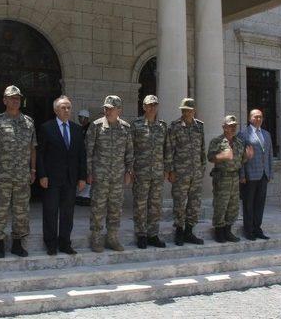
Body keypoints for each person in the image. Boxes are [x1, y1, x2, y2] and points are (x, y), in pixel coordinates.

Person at [0, 85, 36, 258]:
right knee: (0, 210)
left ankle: (17, 243)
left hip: (22, 175)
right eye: (12, 98)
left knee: (21, 210)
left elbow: (32, 148)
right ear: (4, 100)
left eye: (18, 98)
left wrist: (33, 169)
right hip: (2, 175)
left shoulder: (28, 122)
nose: (16, 100)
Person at [37, 96, 87, 256]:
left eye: (68, 108)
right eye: (63, 108)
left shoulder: (77, 129)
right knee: (50, 212)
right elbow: (40, 154)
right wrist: (42, 175)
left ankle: (65, 243)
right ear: (56, 110)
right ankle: (51, 244)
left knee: (68, 213)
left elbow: (81, 155)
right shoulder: (46, 128)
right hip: (51, 179)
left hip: (71, 179)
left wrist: (82, 177)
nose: (67, 110)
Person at [86, 95, 133, 252]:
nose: (107, 110)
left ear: (119, 110)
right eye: (106, 108)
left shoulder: (125, 128)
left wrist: (128, 171)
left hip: (117, 176)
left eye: (111, 108)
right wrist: (89, 172)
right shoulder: (96, 126)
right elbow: (89, 152)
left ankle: (112, 238)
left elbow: (129, 152)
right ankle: (96, 238)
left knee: (115, 208)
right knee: (98, 208)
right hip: (100, 176)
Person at [165, 98, 205, 246]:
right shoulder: (175, 126)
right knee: (179, 203)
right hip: (180, 172)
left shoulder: (199, 126)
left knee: (194, 203)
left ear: (194, 111)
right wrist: (171, 170)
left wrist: (202, 167)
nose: (186, 113)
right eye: (184, 110)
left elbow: (202, 148)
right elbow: (170, 149)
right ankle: (179, 232)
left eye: (188, 110)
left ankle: (189, 231)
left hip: (196, 173)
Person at [207, 115, 254, 243]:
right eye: (230, 125)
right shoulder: (217, 141)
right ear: (224, 127)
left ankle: (228, 230)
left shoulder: (239, 142)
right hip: (222, 177)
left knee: (233, 206)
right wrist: (222, 156)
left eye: (234, 126)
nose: (233, 128)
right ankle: (219, 232)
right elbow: (210, 157)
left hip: (234, 177)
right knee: (221, 205)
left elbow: (240, 160)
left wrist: (247, 157)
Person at [131, 95, 168, 249]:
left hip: (158, 172)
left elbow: (167, 149)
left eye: (154, 105)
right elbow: (130, 148)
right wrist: (130, 168)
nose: (152, 108)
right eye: (149, 105)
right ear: (144, 107)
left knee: (155, 205)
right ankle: (141, 235)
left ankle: (153, 234)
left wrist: (167, 168)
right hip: (141, 171)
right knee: (140, 204)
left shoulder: (162, 126)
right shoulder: (136, 125)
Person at [238, 109, 274, 241]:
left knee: (260, 203)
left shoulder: (267, 134)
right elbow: (241, 157)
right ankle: (249, 230)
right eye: (256, 117)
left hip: (263, 174)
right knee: (248, 204)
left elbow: (269, 154)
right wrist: (241, 175)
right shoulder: (243, 134)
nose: (258, 119)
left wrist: (270, 172)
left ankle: (258, 228)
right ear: (249, 118)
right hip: (249, 175)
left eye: (260, 117)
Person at [76, 109, 91, 207]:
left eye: (80, 117)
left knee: (88, 176)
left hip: (87, 156)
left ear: (85, 118)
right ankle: (81, 195)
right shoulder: (81, 128)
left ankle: (86, 196)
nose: (79, 119)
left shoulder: (89, 128)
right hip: (81, 156)